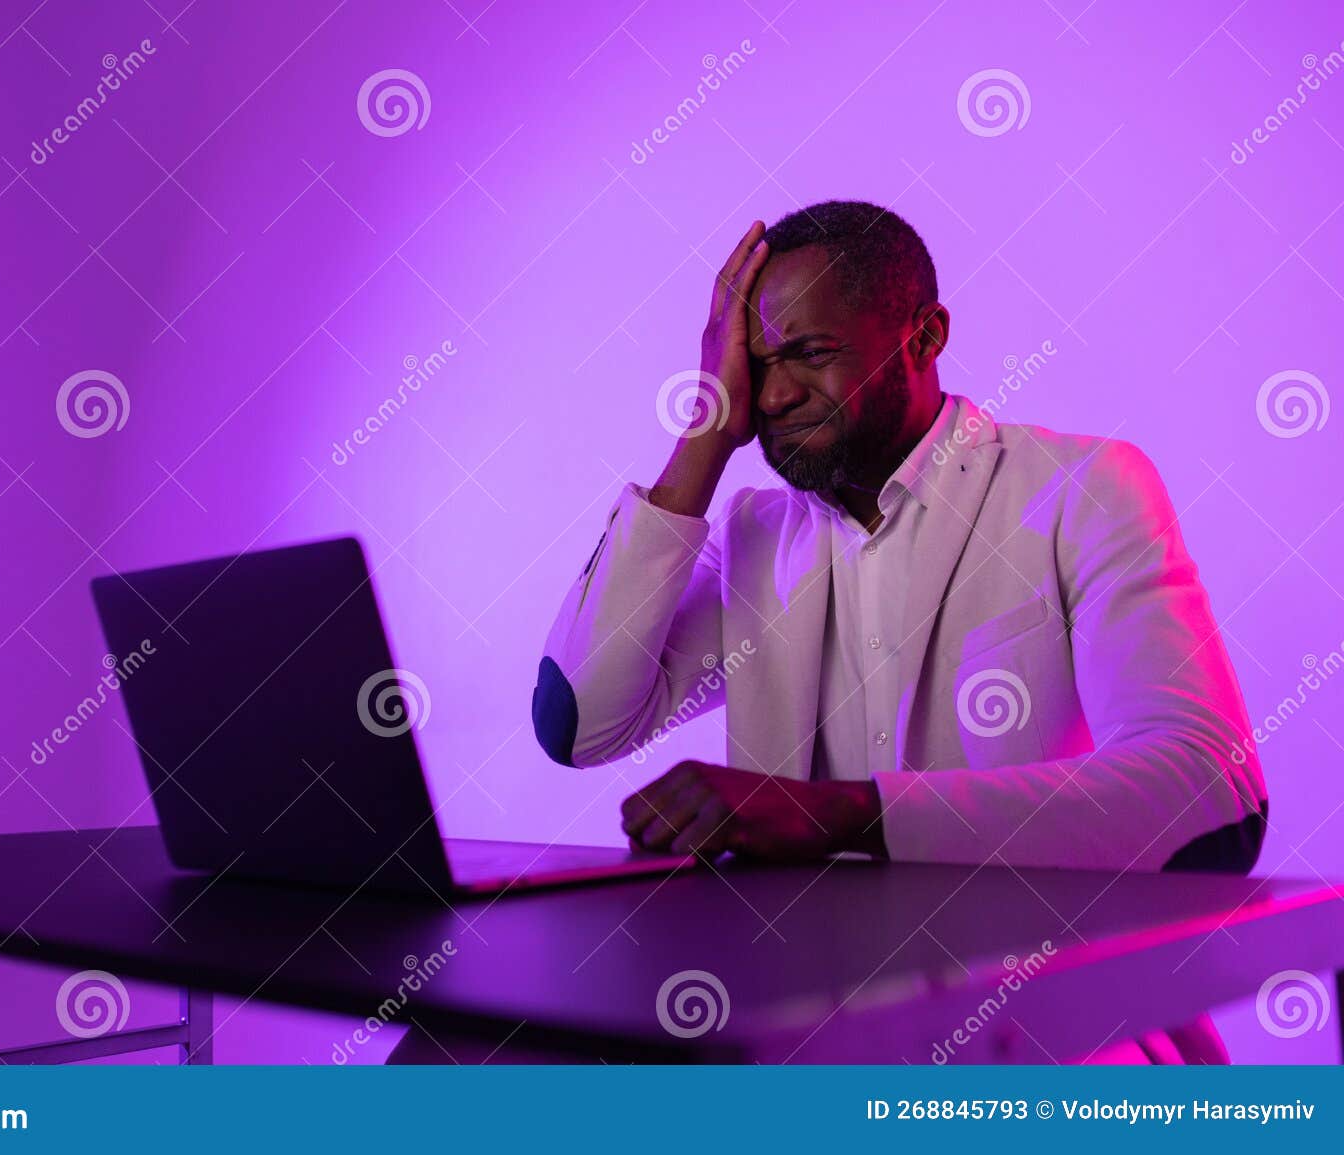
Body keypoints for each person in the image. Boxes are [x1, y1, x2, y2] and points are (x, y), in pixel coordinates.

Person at [529, 201, 1269, 1064]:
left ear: (924, 336)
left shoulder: (1083, 488)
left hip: (1040, 1043)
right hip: (807, 1045)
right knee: (452, 1063)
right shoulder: (756, 534)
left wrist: (842, 813)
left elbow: (1206, 793)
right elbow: (578, 724)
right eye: (752, 363)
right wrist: (705, 432)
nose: (769, 395)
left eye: (809, 353)